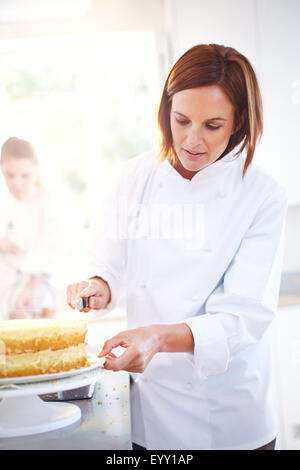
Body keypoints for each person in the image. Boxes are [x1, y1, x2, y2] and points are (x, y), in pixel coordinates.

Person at [66, 44, 287, 450]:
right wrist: (98, 286)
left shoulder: (262, 195)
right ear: (165, 109)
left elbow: (242, 318)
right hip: (153, 411)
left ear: (238, 123)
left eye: (212, 125)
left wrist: (157, 339)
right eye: (181, 120)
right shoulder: (135, 176)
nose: (191, 140)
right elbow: (111, 266)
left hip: (227, 415)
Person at [0, 137, 62, 319]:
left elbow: (51, 250)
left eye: (25, 175)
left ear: (36, 169)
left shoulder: (49, 201)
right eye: (9, 175)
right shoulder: (4, 202)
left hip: (37, 299)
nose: (17, 184)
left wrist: (30, 287)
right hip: (5, 298)